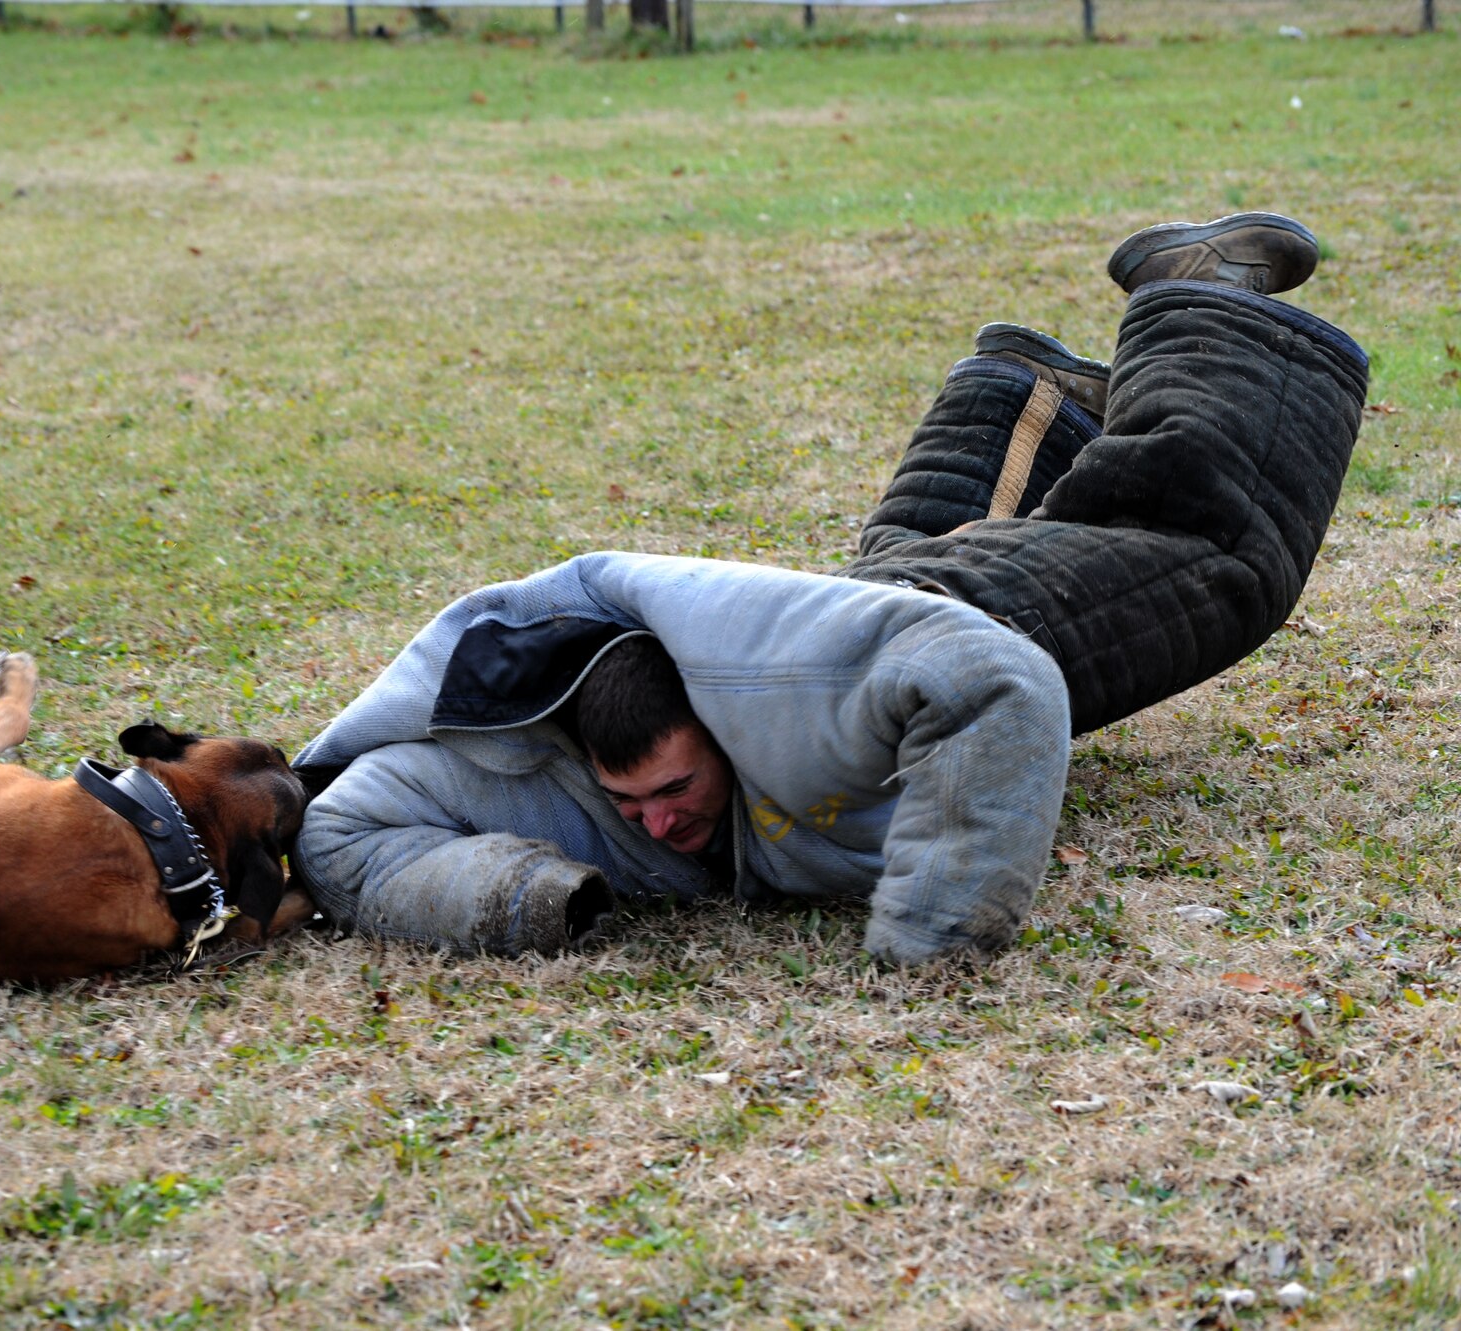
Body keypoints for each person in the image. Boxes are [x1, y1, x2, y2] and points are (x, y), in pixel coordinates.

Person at [290, 214, 1370, 965]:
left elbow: (1003, 688)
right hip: (886, 638)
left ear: (716, 715)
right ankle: (1034, 405)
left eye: (669, 788)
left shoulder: (777, 692)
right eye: (632, 808)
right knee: (891, 586)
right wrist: (513, 893)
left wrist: (931, 944)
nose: (657, 825)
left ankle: (1197, 291)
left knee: (1209, 556)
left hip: (976, 626)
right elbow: (338, 833)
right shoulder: (554, 770)